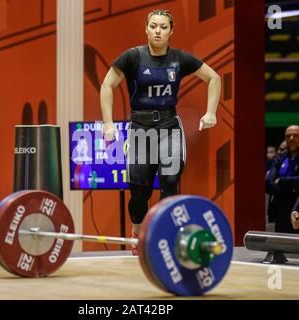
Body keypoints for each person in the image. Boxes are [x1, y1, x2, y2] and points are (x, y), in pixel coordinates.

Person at [99, 9, 221, 255]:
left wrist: (211, 112)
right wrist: (108, 123)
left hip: (169, 128)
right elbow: (107, 85)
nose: (158, 31)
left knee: (170, 181)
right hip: (140, 129)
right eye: (153, 26)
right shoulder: (133, 57)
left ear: (171, 31)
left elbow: (214, 78)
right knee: (139, 191)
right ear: (146, 28)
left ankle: (166, 235)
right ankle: (138, 233)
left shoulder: (179, 59)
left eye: (163, 27)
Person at [265, 125, 299, 233]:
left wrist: (280, 181)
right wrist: (293, 188)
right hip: (279, 212)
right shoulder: (279, 158)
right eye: (288, 136)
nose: (291, 138)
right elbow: (268, 183)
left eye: (295, 135)